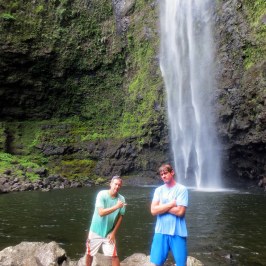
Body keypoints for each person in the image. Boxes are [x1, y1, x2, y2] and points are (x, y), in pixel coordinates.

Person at [150, 164, 188, 266]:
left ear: (172, 172)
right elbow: (153, 211)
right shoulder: (158, 190)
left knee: (181, 264)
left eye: (165, 173)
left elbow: (180, 212)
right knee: (156, 263)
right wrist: (171, 204)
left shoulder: (182, 189)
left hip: (178, 232)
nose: (163, 176)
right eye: (161, 174)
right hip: (160, 231)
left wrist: (161, 207)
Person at [85, 175, 126, 266]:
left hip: (109, 232)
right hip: (95, 231)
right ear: (110, 183)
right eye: (115, 184)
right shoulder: (102, 194)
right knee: (89, 254)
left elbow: (121, 216)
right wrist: (116, 206)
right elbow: (101, 213)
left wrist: (113, 233)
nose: (117, 187)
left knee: (114, 256)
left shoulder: (121, 199)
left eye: (119, 185)